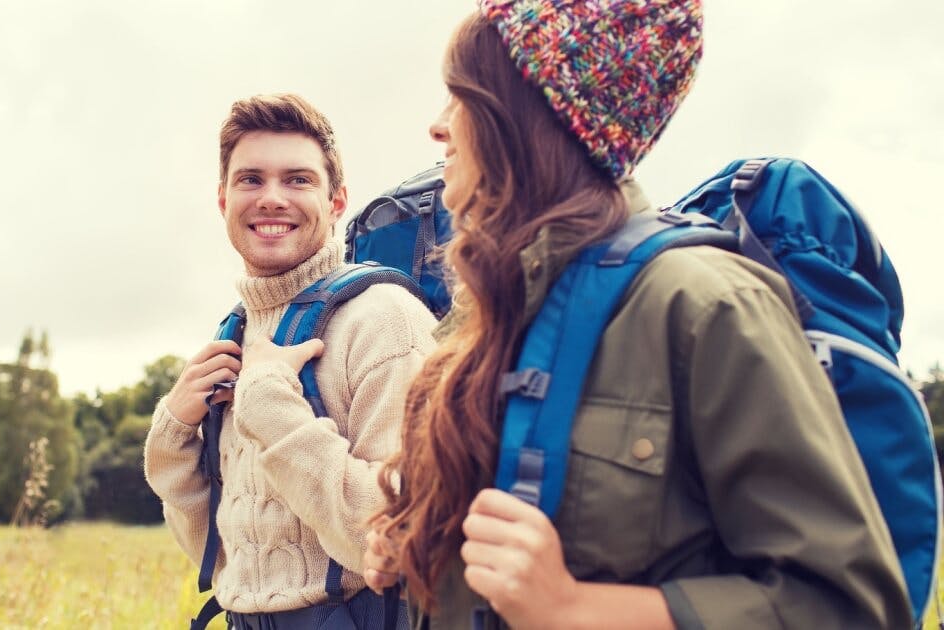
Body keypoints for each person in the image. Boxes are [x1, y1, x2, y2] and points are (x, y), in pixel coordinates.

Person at [362, 1, 913, 628]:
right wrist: (419, 542)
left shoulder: (707, 304)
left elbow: (851, 607)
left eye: (462, 97)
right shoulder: (478, 321)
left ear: (529, 120)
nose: (439, 128)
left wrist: (573, 607)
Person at [144, 93, 437, 627]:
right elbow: (228, 556)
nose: (272, 198)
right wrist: (173, 434)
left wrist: (271, 409)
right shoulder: (235, 334)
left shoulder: (386, 321)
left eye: (298, 180)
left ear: (338, 200)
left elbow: (397, 533)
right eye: (250, 179)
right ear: (222, 199)